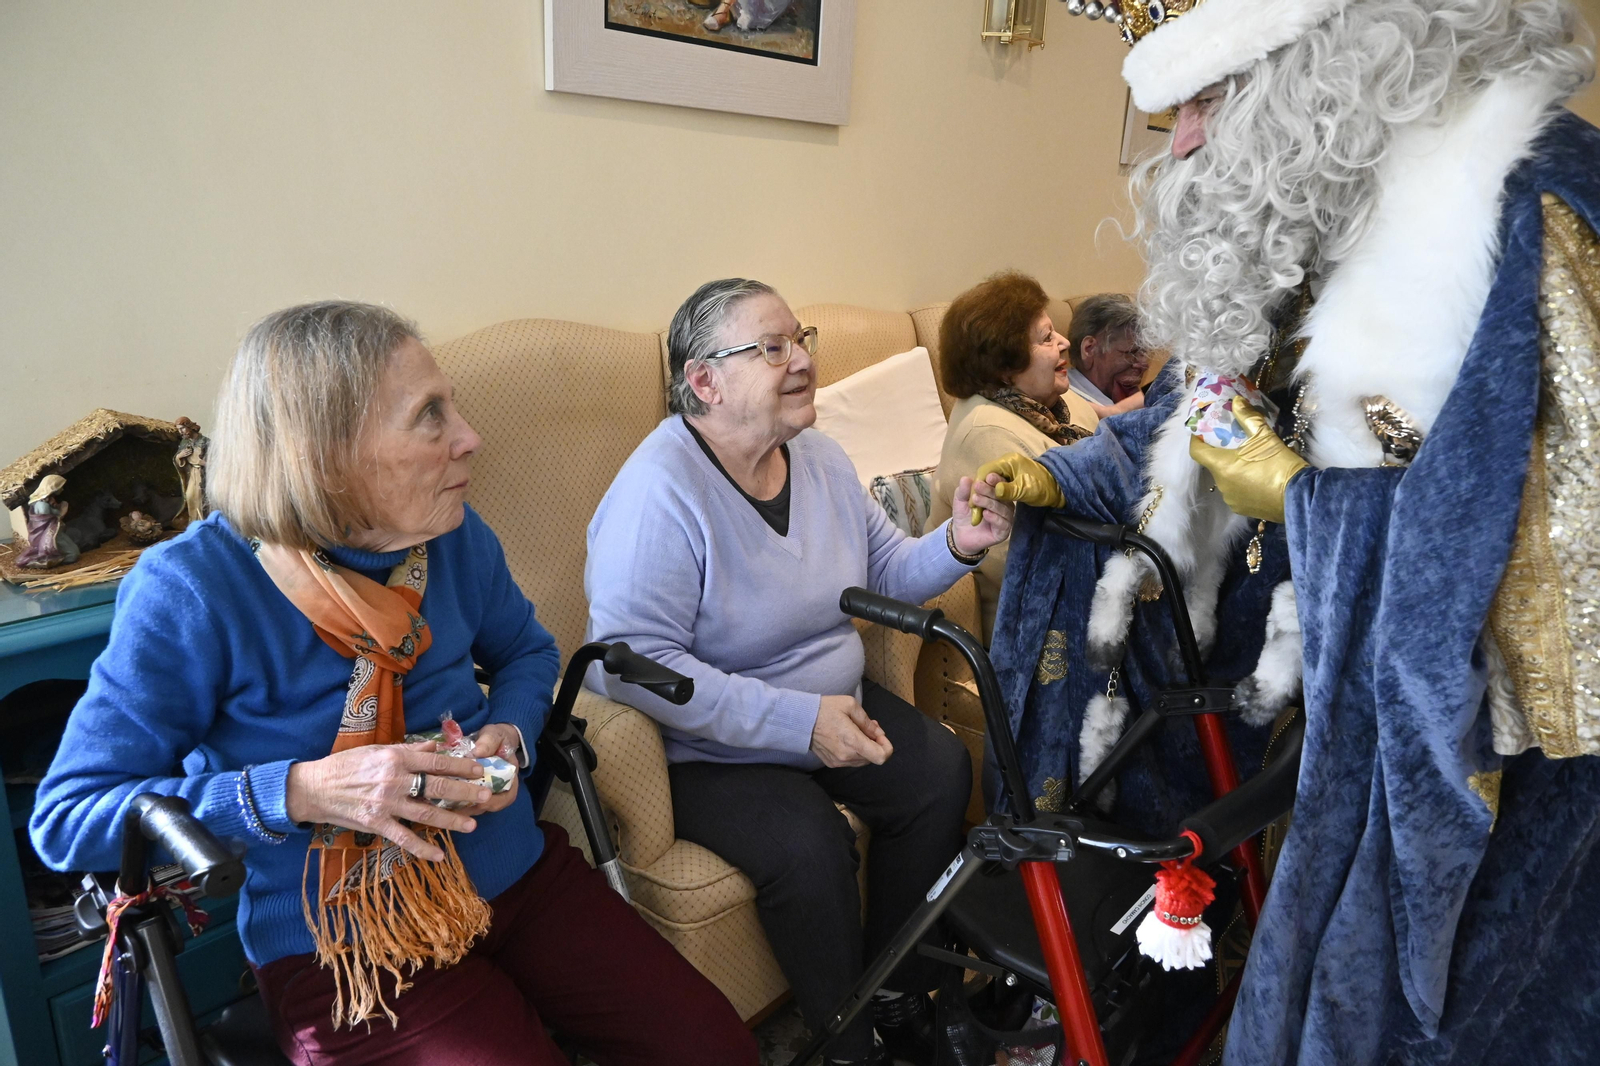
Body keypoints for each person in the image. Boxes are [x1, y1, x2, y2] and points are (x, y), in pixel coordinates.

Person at [978, 0, 1600, 1062]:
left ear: (1325, 64)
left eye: (1201, 102)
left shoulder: (1527, 205)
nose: (1176, 145)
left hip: (1521, 793)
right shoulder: (1325, 213)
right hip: (1346, 732)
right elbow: (1183, 417)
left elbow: (1558, 572)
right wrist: (1051, 476)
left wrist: (1300, 504)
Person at [29, 301, 757, 1066]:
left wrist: (508, 730)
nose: (470, 438)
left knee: (718, 1049)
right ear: (326, 452)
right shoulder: (195, 589)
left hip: (513, 876)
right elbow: (68, 817)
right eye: (430, 416)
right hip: (340, 945)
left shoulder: (455, 535)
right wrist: (301, 790)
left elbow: (529, 654)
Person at [585, 278, 1015, 1066]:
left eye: (801, 340)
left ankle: (891, 983)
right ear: (703, 381)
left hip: (830, 701)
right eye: (771, 347)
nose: (802, 361)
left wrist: (955, 541)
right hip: (712, 745)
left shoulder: (817, 457)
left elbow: (885, 568)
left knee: (938, 772)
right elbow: (634, 668)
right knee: (809, 847)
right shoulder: (658, 491)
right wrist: (796, 724)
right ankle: (845, 1037)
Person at [925, 271, 1097, 643]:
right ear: (1004, 367)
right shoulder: (987, 433)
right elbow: (1032, 561)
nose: (1065, 343)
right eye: (1047, 338)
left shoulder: (1059, 405)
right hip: (1029, 630)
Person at [1064, 293, 1148, 419]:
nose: (1144, 364)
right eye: (1131, 353)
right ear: (1089, 349)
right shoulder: (1068, 403)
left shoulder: (1127, 397)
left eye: (1144, 352)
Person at [16, 473, 79, 568]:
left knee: (73, 551)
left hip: (56, 531)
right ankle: (52, 561)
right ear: (52, 487)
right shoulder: (42, 504)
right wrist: (58, 511)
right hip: (49, 533)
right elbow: (45, 518)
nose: (61, 489)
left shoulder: (47, 500)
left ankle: (58, 558)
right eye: (59, 487)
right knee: (73, 554)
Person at [172, 415, 209, 522]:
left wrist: (203, 463)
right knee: (189, 496)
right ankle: (193, 522)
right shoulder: (185, 442)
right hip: (192, 473)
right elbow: (178, 459)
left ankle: (202, 523)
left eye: (182, 428)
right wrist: (179, 457)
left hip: (202, 474)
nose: (181, 432)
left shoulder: (205, 441)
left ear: (190, 426)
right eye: (179, 429)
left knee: (200, 499)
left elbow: (216, 459)